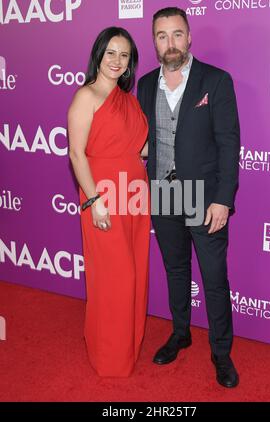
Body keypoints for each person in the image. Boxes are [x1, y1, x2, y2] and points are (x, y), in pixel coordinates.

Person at [137, 7, 240, 388]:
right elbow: (146, 140)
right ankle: (181, 333)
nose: (170, 43)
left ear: (190, 36)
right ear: (154, 41)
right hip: (163, 190)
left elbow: (229, 144)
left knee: (213, 278)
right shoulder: (146, 84)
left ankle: (221, 353)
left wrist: (223, 199)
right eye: (162, 36)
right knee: (176, 270)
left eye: (177, 34)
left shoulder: (216, 80)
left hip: (204, 196)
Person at [68, 27, 150, 377]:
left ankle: (127, 348)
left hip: (135, 195)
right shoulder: (86, 96)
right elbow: (76, 152)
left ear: (131, 62)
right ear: (99, 54)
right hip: (102, 195)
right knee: (116, 277)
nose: (117, 61)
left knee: (135, 275)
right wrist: (92, 202)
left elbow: (139, 148)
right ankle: (110, 356)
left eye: (125, 55)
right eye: (111, 53)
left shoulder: (130, 100)